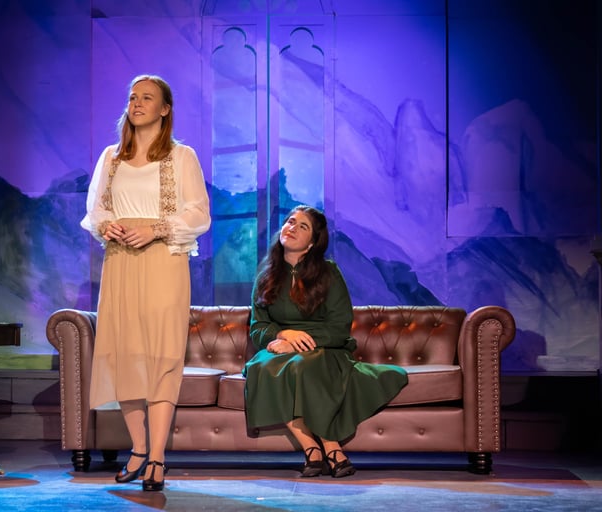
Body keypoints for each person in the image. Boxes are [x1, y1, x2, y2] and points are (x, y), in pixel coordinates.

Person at [81, 74, 211, 492]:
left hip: (163, 261)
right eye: (133, 97)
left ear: (164, 109)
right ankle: (138, 448)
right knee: (126, 354)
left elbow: (198, 213)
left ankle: (157, 456)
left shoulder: (181, 156)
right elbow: (96, 208)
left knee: (160, 355)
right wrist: (108, 226)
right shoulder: (111, 157)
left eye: (147, 98)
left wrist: (155, 229)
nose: (137, 103)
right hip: (120, 261)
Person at [243, 205, 408, 478]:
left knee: (302, 366)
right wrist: (283, 335)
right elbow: (258, 327)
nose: (292, 228)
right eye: (290, 222)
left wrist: (300, 343)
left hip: (324, 347)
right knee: (261, 368)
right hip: (280, 348)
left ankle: (330, 447)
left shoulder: (328, 273)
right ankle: (312, 448)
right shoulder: (265, 277)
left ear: (312, 243)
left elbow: (340, 326)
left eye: (302, 226)